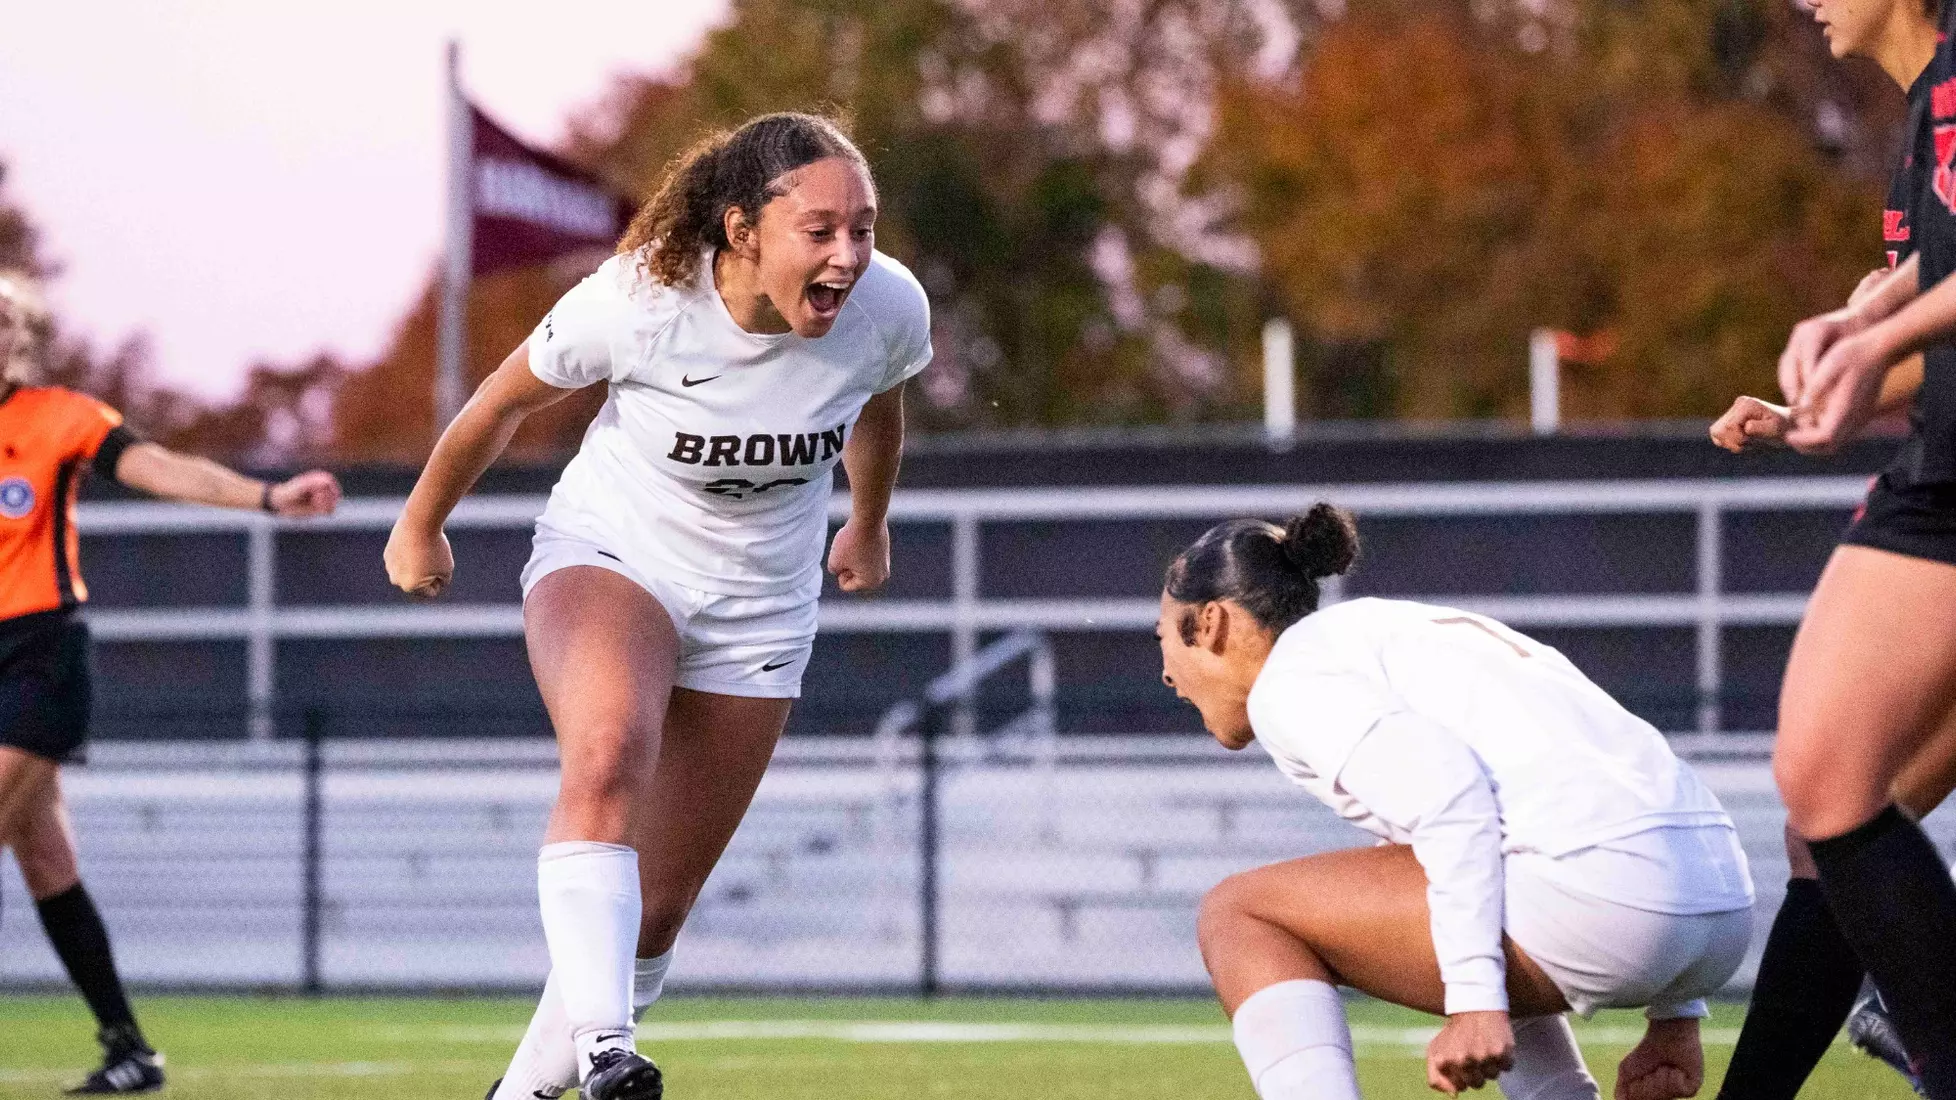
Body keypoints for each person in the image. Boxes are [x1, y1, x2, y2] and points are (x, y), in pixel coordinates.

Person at [383, 111, 929, 1100]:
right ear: (740, 228)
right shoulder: (640, 301)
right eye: (821, 228)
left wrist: (869, 520)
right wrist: (420, 523)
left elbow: (880, 407)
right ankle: (605, 1049)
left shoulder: (888, 309)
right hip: (613, 555)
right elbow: (502, 400)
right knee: (607, 749)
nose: (848, 253)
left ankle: (524, 1089)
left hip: (761, 608)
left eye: (865, 227)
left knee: (660, 906)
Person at [1158, 504, 1754, 1100]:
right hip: (1720, 906)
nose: (1166, 674)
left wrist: (1475, 1004)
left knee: (1238, 911)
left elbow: (1453, 800)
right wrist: (1677, 1013)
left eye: (1163, 638)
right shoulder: (1402, 630)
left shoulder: (1288, 679)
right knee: (1451, 878)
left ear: (1210, 622)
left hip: (1609, 898)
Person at [0, 272, 340, 1092]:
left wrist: (267, 496)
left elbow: (160, 468)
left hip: (38, 659)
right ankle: (129, 1050)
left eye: (5, 321)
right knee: (45, 859)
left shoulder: (56, 418)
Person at [1710, 0, 1956, 1090]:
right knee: (1839, 817)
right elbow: (1925, 329)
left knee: (1825, 777)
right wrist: (1828, 384)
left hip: (1945, 495)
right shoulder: (1927, 115)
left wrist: (1874, 329)